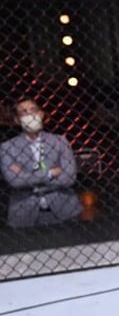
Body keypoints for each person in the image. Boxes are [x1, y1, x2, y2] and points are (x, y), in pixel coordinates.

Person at [1, 97, 82, 228]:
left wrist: (28, 178)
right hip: (24, 215)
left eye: (33, 110)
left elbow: (69, 177)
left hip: (64, 210)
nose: (30, 115)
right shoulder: (7, 148)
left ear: (41, 114)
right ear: (17, 120)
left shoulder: (60, 142)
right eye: (24, 112)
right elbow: (15, 181)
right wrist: (50, 173)